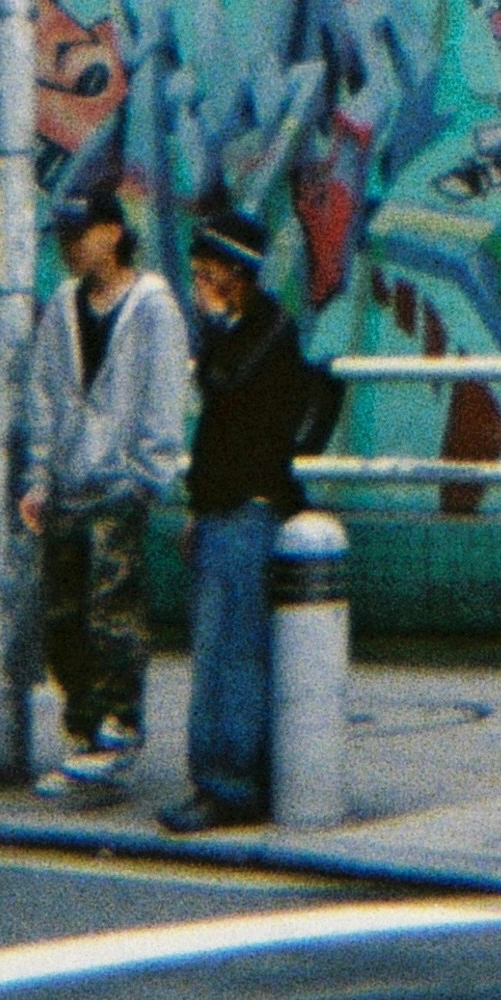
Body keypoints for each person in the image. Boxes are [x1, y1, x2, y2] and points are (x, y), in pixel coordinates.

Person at [161, 210, 317, 836]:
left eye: (205, 273)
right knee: (220, 647)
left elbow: (226, 393)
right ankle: (234, 776)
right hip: (224, 507)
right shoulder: (240, 330)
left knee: (232, 652)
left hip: (250, 507)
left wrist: (212, 330)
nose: (198, 283)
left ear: (233, 272)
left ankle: (228, 781)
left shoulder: (269, 329)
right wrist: (196, 510)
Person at [24, 192, 186, 791]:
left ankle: (117, 727)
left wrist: (147, 477)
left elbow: (164, 395)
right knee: (62, 614)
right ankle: (83, 728)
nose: (70, 247)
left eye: (81, 233)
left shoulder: (152, 308)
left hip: (119, 484)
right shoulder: (62, 306)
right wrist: (39, 479)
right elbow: (43, 395)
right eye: (65, 236)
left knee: (111, 609)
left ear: (114, 233)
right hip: (68, 482)